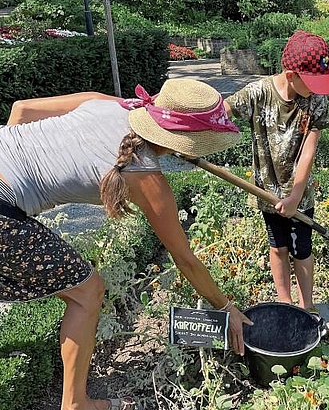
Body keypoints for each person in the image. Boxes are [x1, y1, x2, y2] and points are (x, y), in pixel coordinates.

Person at [0, 79, 253, 410]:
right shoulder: (144, 175)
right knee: (88, 292)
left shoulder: (110, 103)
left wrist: (18, 166)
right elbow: (185, 258)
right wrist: (225, 307)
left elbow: (22, 109)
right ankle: (76, 403)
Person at [224, 30, 329, 312]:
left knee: (302, 248)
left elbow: (308, 151)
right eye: (312, 82)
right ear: (291, 75)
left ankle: (308, 307)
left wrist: (295, 197)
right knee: (277, 246)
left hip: (300, 195)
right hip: (267, 190)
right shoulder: (259, 93)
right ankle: (285, 303)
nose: (317, 89)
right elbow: (224, 108)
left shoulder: (317, 101)